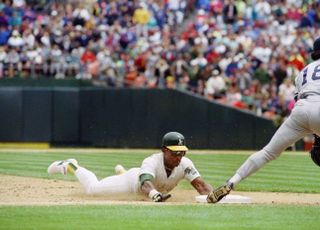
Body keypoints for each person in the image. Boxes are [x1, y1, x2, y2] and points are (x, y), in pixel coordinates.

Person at [207, 37, 320, 203]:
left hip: (300, 110)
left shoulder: (303, 71)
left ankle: (231, 182)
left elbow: (298, 102)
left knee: (267, 152)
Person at [48, 131, 213, 202]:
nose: (179, 157)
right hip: (132, 183)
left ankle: (122, 172)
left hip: (148, 188)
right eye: (175, 153)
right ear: (164, 150)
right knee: (93, 189)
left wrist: (214, 196)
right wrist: (155, 194)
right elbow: (145, 184)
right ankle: (72, 165)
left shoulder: (185, 163)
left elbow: (200, 185)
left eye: (181, 152)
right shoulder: (152, 161)